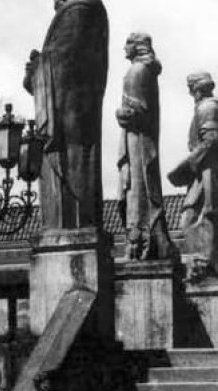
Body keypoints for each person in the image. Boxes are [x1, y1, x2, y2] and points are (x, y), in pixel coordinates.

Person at [23, 0, 109, 231]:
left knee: (68, 162)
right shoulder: (86, 10)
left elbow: (66, 62)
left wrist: (37, 67)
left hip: (68, 117)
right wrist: (40, 65)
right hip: (76, 113)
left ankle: (69, 224)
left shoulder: (79, 10)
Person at [116, 32, 171, 261]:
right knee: (135, 188)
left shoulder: (138, 72)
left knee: (137, 188)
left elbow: (140, 113)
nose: (123, 47)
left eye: (127, 42)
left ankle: (139, 241)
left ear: (137, 46)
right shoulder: (143, 71)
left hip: (138, 142)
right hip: (136, 140)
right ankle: (139, 238)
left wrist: (123, 114)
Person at [169, 71, 218, 279]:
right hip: (202, 173)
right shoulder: (206, 106)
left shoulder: (208, 107)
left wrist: (186, 166)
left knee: (194, 220)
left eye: (192, 89)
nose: (191, 93)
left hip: (208, 174)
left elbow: (211, 141)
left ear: (199, 89)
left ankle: (205, 268)